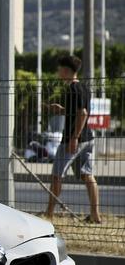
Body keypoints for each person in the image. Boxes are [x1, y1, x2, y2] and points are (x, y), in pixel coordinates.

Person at [44, 55, 102, 224]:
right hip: (88, 138)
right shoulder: (84, 88)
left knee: (56, 176)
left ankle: (49, 213)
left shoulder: (72, 90)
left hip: (72, 139)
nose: (58, 72)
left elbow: (82, 113)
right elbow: (78, 112)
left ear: (66, 71)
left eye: (59, 69)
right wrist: (62, 110)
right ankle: (95, 214)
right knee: (87, 175)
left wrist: (74, 138)